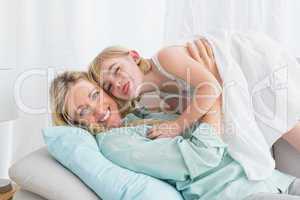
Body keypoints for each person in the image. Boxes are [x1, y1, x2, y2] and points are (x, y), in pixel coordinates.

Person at [49, 71, 300, 200]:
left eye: (94, 95)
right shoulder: (115, 143)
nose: (97, 109)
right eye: (83, 110)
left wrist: (205, 82)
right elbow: (202, 157)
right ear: (75, 123)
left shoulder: (138, 116)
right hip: (239, 194)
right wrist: (212, 99)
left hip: (275, 180)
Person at [88, 30, 300, 180]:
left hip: (250, 60)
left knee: (278, 118)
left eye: (117, 70)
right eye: (108, 85)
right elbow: (199, 107)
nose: (117, 82)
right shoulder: (158, 94)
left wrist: (177, 125)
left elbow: (211, 88)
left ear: (133, 56)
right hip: (234, 80)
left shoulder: (165, 58)